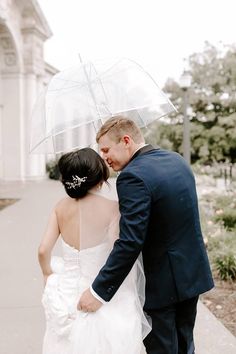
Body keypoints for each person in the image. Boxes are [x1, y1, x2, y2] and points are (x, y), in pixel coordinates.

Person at [78, 116, 214, 354]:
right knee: (185, 345)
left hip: (161, 284)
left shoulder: (132, 177)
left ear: (127, 140)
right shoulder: (176, 160)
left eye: (107, 149)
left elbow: (130, 242)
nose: (104, 158)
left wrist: (99, 291)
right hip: (192, 274)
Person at [38, 147, 150, 354]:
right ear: (99, 178)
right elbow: (118, 249)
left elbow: (44, 250)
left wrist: (47, 273)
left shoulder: (60, 207)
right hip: (99, 289)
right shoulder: (112, 208)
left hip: (68, 290)